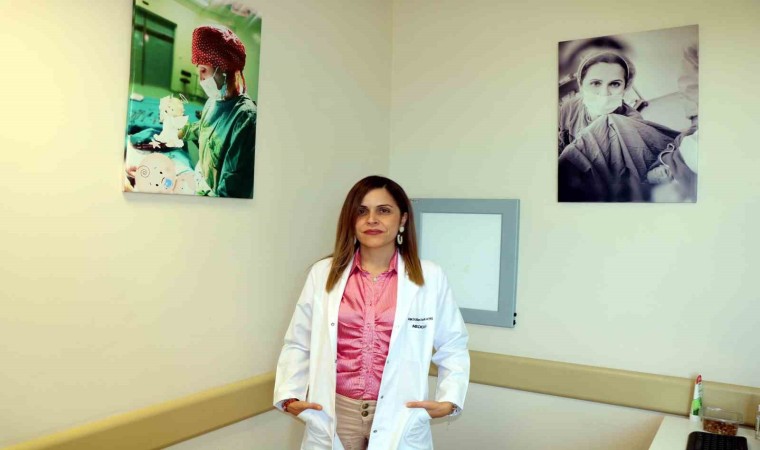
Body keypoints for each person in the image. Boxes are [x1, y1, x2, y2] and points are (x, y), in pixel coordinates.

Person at [274, 176, 470, 450]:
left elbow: (453, 345)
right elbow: (298, 341)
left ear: (403, 219)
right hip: (336, 412)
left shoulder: (430, 277)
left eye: (384, 210)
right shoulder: (323, 274)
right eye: (361, 211)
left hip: (399, 412)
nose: (372, 219)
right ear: (350, 220)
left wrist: (450, 399)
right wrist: (289, 395)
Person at [183, 25, 257, 198]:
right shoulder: (213, 101)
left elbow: (231, 193)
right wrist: (180, 131)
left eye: (204, 70)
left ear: (223, 69)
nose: (200, 79)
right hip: (200, 183)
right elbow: (204, 128)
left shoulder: (245, 119)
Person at [558, 51, 642, 154]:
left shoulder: (633, 122)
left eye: (615, 84)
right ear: (581, 84)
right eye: (596, 83)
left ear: (625, 87)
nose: (604, 93)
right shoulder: (569, 107)